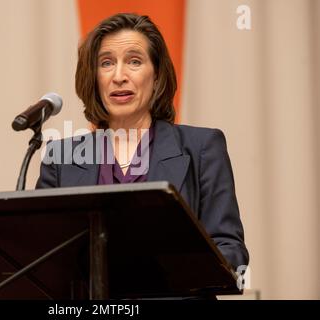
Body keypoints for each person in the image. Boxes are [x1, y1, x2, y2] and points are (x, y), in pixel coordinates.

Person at [36, 13, 249, 284]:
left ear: (157, 74)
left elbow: (231, 252)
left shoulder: (203, 147)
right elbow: (40, 258)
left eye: (134, 61)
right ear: (94, 77)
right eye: (106, 63)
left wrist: (160, 267)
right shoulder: (60, 158)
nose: (119, 76)